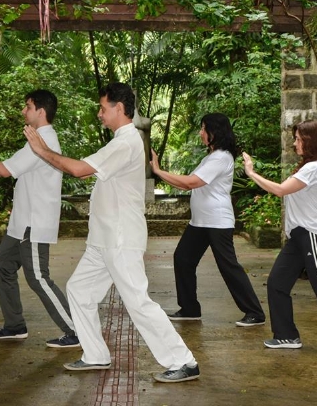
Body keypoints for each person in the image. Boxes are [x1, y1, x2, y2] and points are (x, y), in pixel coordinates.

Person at [23, 82, 200, 383]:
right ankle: (95, 354)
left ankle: (184, 361)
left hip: (120, 238)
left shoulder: (126, 142)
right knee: (79, 290)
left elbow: (79, 169)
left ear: (119, 108)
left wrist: (42, 150)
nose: (99, 114)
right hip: (103, 240)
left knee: (138, 302)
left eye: (103, 108)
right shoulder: (121, 141)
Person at [0, 90, 78, 348]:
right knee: (2, 265)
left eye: (28, 106)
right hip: (21, 224)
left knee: (38, 278)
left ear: (40, 112)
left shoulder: (43, 141)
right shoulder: (36, 139)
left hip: (34, 222)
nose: (23, 111)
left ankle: (76, 331)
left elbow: (4, 170)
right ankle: (14, 326)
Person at [242, 120, 317, 357]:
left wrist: (251, 173)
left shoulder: (315, 168)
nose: (295, 143)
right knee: (277, 283)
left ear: (310, 141)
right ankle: (286, 335)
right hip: (298, 237)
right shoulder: (308, 167)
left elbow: (280, 189)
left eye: (298, 139)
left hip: (311, 236)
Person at [150, 113, 265, 327]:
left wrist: (158, 171)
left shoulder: (221, 157)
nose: (200, 133)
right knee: (183, 259)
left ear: (215, 132)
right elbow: (191, 184)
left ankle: (254, 312)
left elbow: (190, 183)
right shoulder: (210, 157)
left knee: (228, 266)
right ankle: (190, 309)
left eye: (204, 129)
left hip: (217, 222)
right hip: (200, 222)